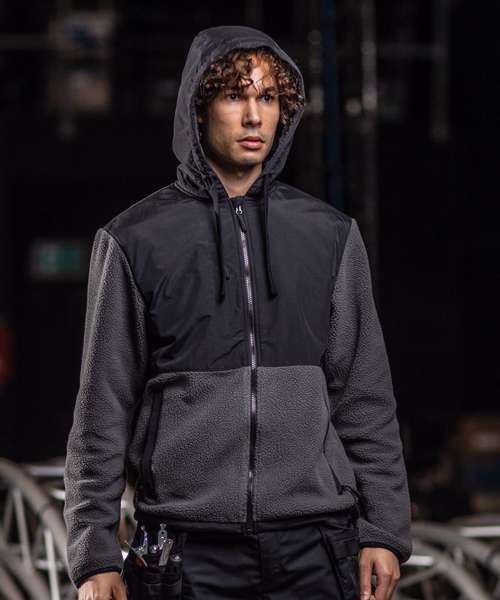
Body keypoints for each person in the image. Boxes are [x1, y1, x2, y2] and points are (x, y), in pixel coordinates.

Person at [64, 25, 413, 600]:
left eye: (268, 98)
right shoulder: (134, 239)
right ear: (198, 110)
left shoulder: (329, 236)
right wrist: (94, 552)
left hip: (316, 542)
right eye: (235, 96)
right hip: (186, 548)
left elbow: (364, 396)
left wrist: (383, 528)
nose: (254, 116)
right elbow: (102, 406)